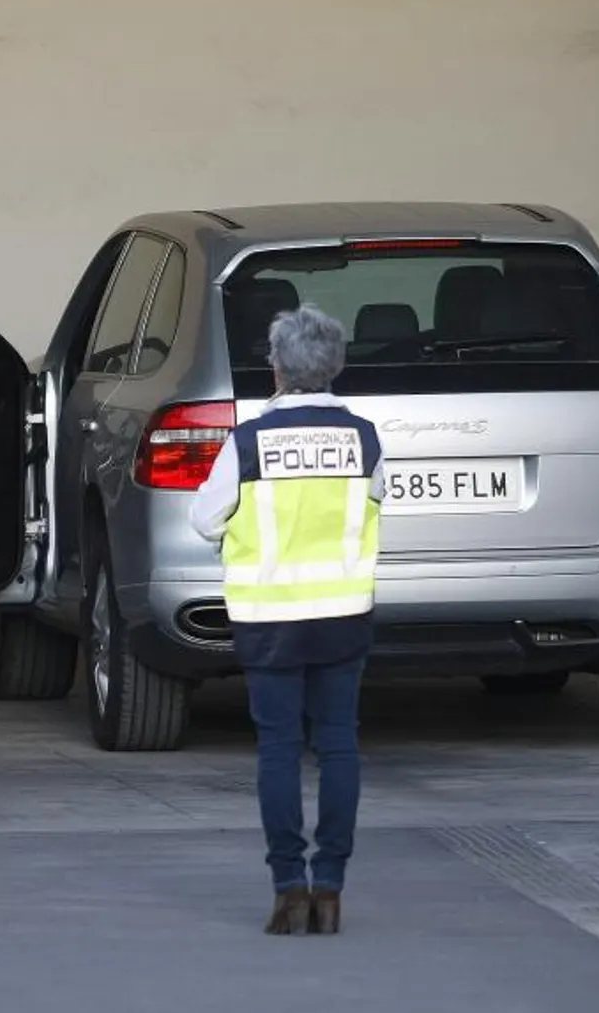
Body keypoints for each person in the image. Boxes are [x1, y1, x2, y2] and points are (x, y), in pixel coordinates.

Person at [189, 302, 383, 936]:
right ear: (335, 366)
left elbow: (203, 518)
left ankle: (286, 887)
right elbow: (377, 498)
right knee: (339, 746)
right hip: (342, 614)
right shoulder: (363, 437)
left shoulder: (247, 441)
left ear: (276, 367)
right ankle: (330, 885)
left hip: (269, 617)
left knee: (278, 748)